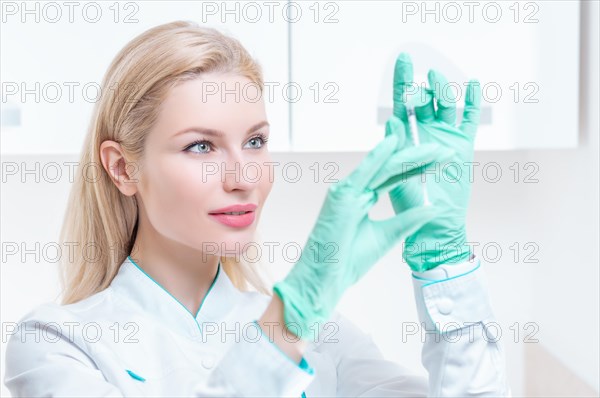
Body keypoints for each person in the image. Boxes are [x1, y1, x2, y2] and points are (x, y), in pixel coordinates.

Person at [4, 20, 511, 397]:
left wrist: (442, 263)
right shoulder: (58, 344)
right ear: (122, 168)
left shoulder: (325, 337)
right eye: (200, 146)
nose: (243, 177)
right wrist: (288, 321)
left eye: (255, 141)